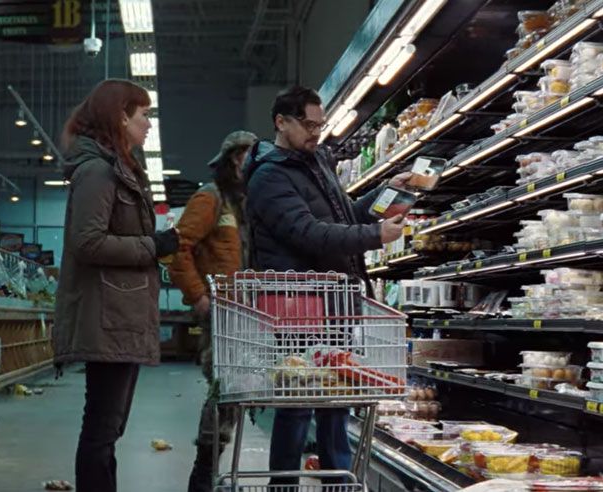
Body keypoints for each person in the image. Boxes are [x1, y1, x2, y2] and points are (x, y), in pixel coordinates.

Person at [243, 85, 419, 485]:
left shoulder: (315, 162)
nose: (316, 133)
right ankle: (284, 483)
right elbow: (310, 234)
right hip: (298, 308)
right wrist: (375, 235)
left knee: (337, 399)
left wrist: (390, 190)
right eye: (308, 125)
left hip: (335, 304)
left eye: (321, 126)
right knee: (299, 402)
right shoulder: (269, 177)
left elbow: (344, 216)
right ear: (281, 122)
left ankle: (337, 483)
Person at [53, 79, 179, 492]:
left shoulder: (118, 169)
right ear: (120, 116)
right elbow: (86, 242)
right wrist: (152, 245)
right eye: (144, 114)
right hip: (107, 317)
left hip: (119, 315)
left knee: (109, 429)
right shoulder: (97, 171)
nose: (149, 123)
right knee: (102, 428)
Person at [170, 130, 258, 492]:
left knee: (235, 392)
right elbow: (178, 249)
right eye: (241, 156)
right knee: (224, 390)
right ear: (230, 159)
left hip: (248, 314)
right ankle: (202, 476)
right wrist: (198, 296)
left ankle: (211, 475)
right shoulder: (210, 198)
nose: (246, 163)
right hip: (219, 312)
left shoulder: (245, 203)